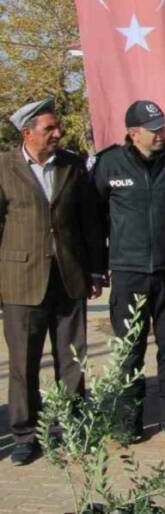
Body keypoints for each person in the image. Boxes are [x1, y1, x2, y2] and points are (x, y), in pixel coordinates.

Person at [0, 98, 105, 465]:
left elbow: (89, 221)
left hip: (69, 277)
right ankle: (26, 435)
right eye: (49, 129)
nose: (58, 134)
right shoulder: (4, 166)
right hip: (20, 281)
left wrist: (95, 269)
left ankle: (70, 426)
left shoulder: (73, 166)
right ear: (27, 133)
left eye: (57, 128)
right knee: (24, 363)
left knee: (72, 358)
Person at [91, 100, 165, 439]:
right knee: (129, 348)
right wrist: (97, 267)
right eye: (153, 130)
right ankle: (129, 418)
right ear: (133, 133)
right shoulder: (109, 163)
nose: (160, 135)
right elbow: (94, 220)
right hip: (129, 271)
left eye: (162, 128)